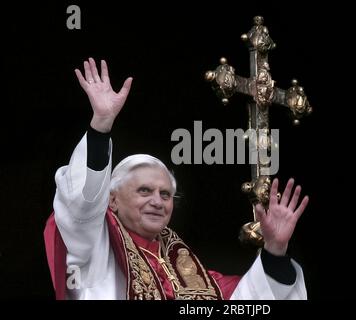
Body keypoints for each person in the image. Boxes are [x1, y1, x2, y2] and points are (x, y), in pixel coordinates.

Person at [44, 58, 310, 300]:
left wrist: (275, 250)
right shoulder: (97, 244)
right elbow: (82, 207)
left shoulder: (184, 265)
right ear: (111, 200)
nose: (157, 201)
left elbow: (246, 299)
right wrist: (101, 125)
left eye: (165, 194)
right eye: (144, 190)